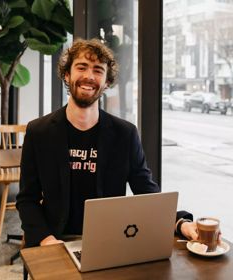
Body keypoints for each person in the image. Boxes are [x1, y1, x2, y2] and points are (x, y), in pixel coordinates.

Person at [16, 38, 198, 248]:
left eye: (98, 70)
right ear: (67, 75)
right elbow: (27, 199)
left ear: (107, 82)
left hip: (109, 241)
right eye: (81, 67)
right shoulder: (39, 131)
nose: (89, 76)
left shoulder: (125, 134)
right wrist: (46, 239)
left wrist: (181, 223)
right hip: (55, 239)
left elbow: (147, 192)